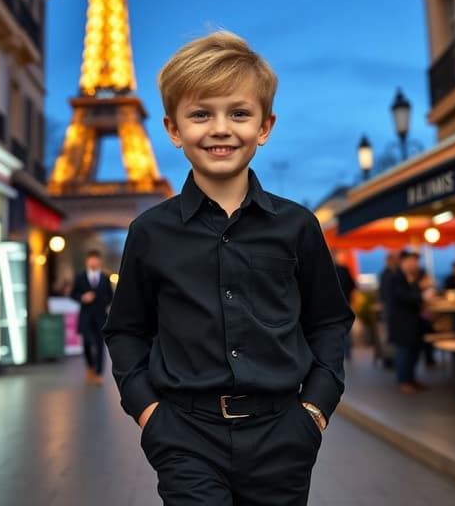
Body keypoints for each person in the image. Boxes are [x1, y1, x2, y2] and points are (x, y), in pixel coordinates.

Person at [103, 31, 354, 505]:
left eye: (239, 113)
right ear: (174, 130)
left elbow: (329, 320)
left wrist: (315, 411)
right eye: (201, 114)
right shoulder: (149, 232)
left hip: (283, 433)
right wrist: (148, 413)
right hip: (185, 435)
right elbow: (126, 330)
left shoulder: (298, 226)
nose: (221, 128)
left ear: (265, 126)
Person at [71, 250, 113, 385]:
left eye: (96, 259)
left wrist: (104, 302)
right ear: (87, 261)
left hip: (101, 317)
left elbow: (111, 296)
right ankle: (90, 365)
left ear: (100, 261)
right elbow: (73, 294)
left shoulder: (105, 278)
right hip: (86, 316)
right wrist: (82, 298)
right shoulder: (80, 277)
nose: (93, 262)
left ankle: (99, 373)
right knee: (87, 343)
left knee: (100, 345)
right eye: (91, 259)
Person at [388, 250, 425, 394]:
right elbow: (403, 296)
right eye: (411, 261)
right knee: (403, 351)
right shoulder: (395, 277)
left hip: (412, 321)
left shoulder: (411, 277)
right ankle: (403, 381)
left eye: (415, 262)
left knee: (413, 351)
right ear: (403, 262)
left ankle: (411, 379)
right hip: (401, 321)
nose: (414, 264)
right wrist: (422, 295)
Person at [334, 251, 357, 360]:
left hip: (333, 306)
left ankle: (339, 353)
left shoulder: (326, 271)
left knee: (335, 330)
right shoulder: (344, 270)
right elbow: (353, 286)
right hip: (345, 304)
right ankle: (347, 352)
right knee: (346, 329)